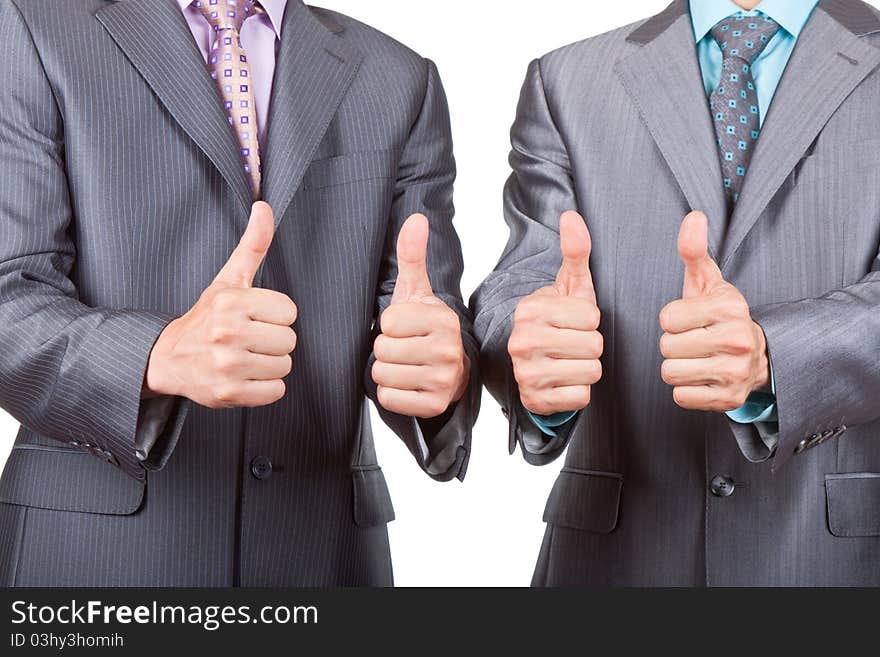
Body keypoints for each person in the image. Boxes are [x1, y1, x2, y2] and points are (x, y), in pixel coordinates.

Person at [0, 0, 479, 587]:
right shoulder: (31, 25)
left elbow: (425, 309)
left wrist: (443, 373)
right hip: (89, 564)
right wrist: (158, 355)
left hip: (324, 561)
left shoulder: (401, 76)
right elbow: (10, 298)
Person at [472, 0, 880, 585]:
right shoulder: (566, 78)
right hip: (614, 562)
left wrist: (775, 359)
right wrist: (533, 342)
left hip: (835, 562)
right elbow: (522, 279)